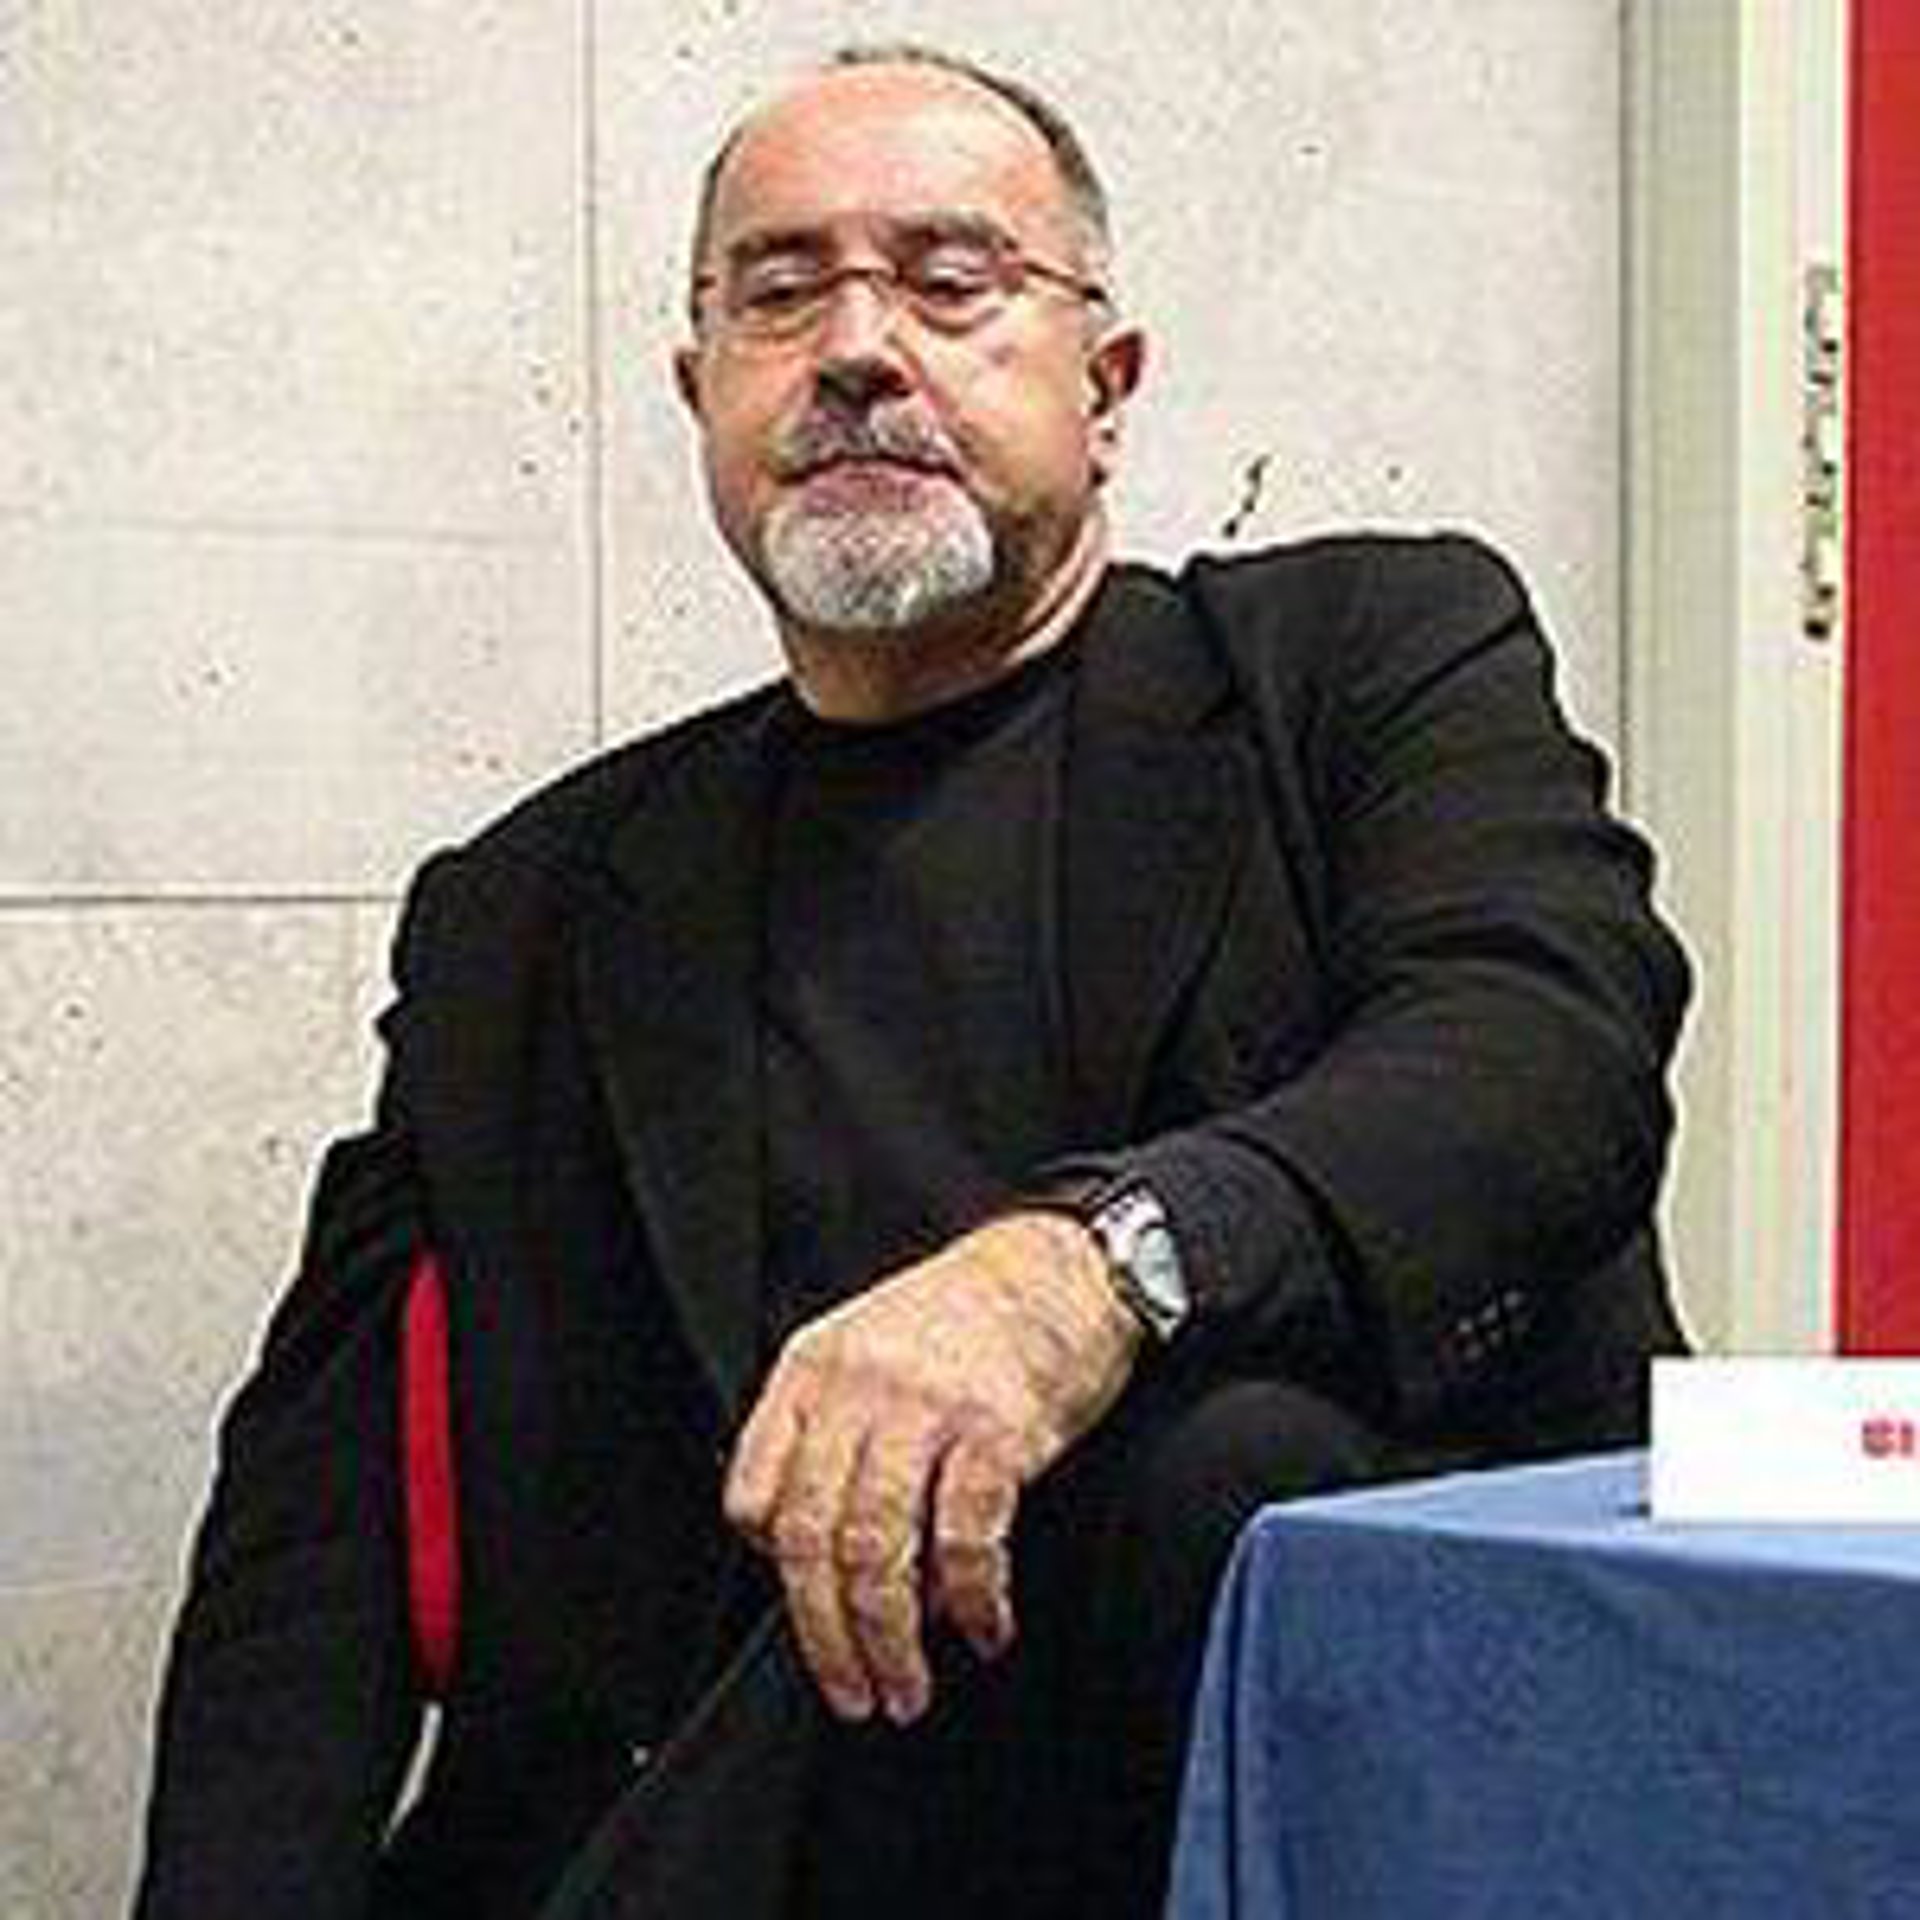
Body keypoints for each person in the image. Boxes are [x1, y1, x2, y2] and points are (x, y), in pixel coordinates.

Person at [133, 43, 1692, 1920]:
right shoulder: (527, 909)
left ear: (1106, 387)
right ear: (700, 390)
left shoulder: (1363, 670)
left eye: (953, 281)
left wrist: (1087, 1273)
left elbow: (1542, 1052)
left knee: (1227, 1455)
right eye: (780, 292)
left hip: (1276, 1823)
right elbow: (312, 1555)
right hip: (681, 1841)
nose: (858, 348)